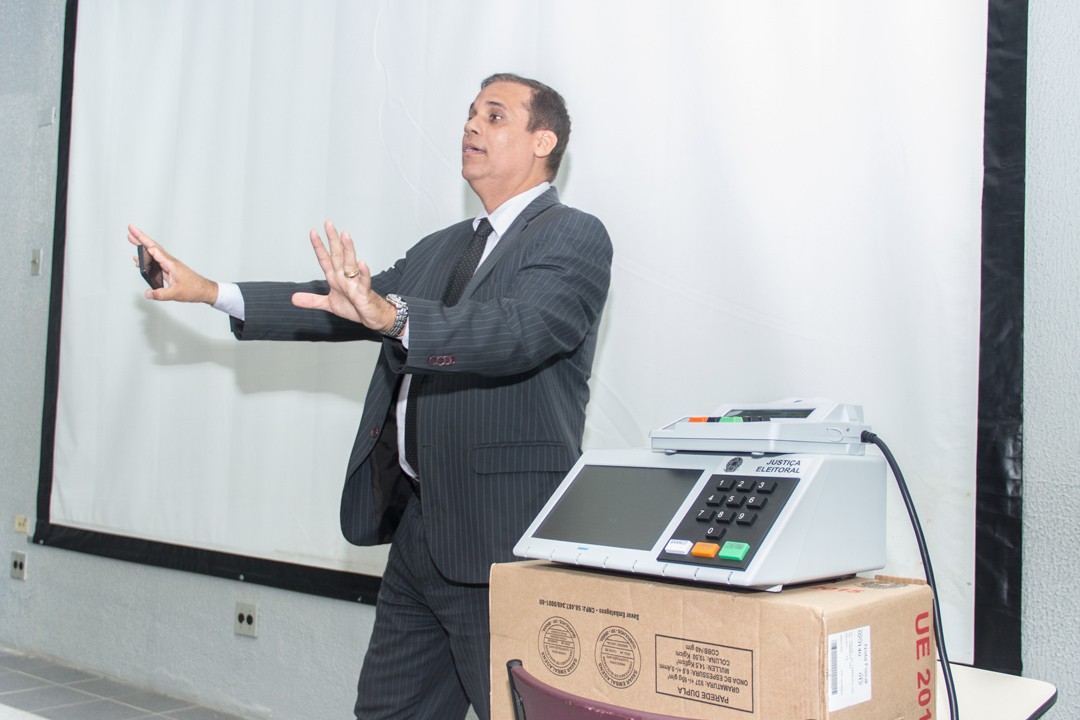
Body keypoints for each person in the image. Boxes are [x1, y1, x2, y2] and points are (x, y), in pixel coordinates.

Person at [128, 73, 612, 720]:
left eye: (494, 116)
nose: (471, 126)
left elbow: (517, 332)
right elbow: (344, 306)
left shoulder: (572, 236)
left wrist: (395, 317)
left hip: (503, 538)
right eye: (470, 113)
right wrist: (212, 292)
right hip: (419, 528)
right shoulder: (444, 247)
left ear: (543, 140)